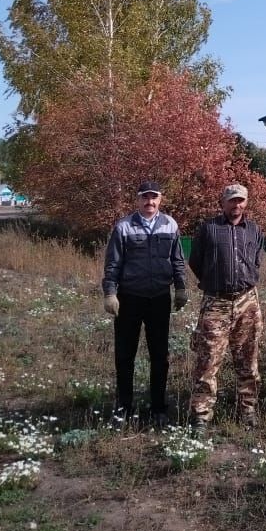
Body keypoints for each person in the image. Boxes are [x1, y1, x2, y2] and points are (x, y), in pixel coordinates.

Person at [102, 181, 188, 427]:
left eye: (154, 198)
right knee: (124, 356)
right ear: (138, 200)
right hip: (129, 298)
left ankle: (158, 408)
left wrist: (180, 288)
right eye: (145, 198)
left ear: (160, 200)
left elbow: (177, 260)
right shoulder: (123, 227)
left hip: (159, 298)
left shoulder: (170, 225)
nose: (149, 202)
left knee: (160, 356)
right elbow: (113, 264)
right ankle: (123, 408)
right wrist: (110, 292)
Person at [188, 183, 266, 429]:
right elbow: (196, 262)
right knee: (208, 360)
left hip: (247, 301)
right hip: (216, 302)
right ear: (223, 203)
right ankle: (201, 414)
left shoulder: (253, 230)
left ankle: (248, 410)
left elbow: (257, 260)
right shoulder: (209, 229)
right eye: (232, 200)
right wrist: (215, 281)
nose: (237, 205)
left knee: (248, 358)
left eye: (241, 200)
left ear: (246, 202)